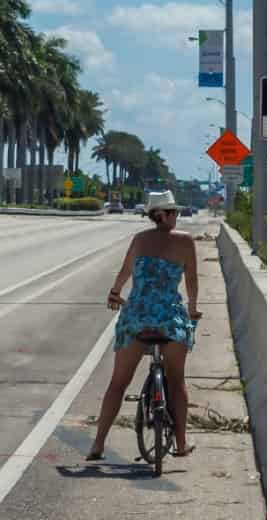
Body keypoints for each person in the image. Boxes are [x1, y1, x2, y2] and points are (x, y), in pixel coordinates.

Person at [86, 189, 202, 461]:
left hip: (136, 317)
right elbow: (192, 282)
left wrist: (115, 293)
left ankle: (98, 444)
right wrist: (193, 310)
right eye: (174, 212)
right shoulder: (185, 242)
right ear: (161, 215)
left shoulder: (139, 240)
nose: (178, 216)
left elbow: (125, 272)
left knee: (118, 384)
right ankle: (181, 443)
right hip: (169, 318)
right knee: (176, 382)